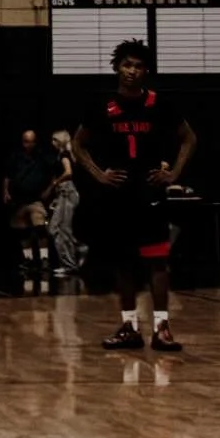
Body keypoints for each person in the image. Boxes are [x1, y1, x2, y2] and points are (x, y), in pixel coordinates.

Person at [72, 39, 197, 352]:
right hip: (118, 196)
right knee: (124, 263)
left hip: (149, 193)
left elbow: (189, 139)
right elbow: (77, 144)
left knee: (157, 263)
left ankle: (162, 327)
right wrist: (99, 174)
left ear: (147, 71)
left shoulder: (159, 104)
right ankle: (128, 326)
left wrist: (174, 174)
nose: (132, 71)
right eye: (127, 65)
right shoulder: (103, 107)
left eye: (139, 66)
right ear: (117, 67)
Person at [2, 128, 65, 287]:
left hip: (36, 200)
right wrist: (6, 192)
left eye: (31, 141)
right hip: (18, 201)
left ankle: (44, 259)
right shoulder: (16, 157)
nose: (28, 144)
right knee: (22, 231)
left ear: (35, 142)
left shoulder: (42, 156)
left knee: (41, 228)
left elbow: (54, 171)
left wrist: (49, 190)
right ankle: (28, 260)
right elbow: (8, 176)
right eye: (26, 141)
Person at [46, 127, 84, 278]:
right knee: (55, 229)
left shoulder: (64, 154)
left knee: (62, 229)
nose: (52, 142)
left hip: (67, 192)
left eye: (54, 139)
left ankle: (69, 265)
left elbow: (68, 172)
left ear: (59, 140)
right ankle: (78, 249)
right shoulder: (64, 154)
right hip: (64, 193)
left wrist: (56, 182)